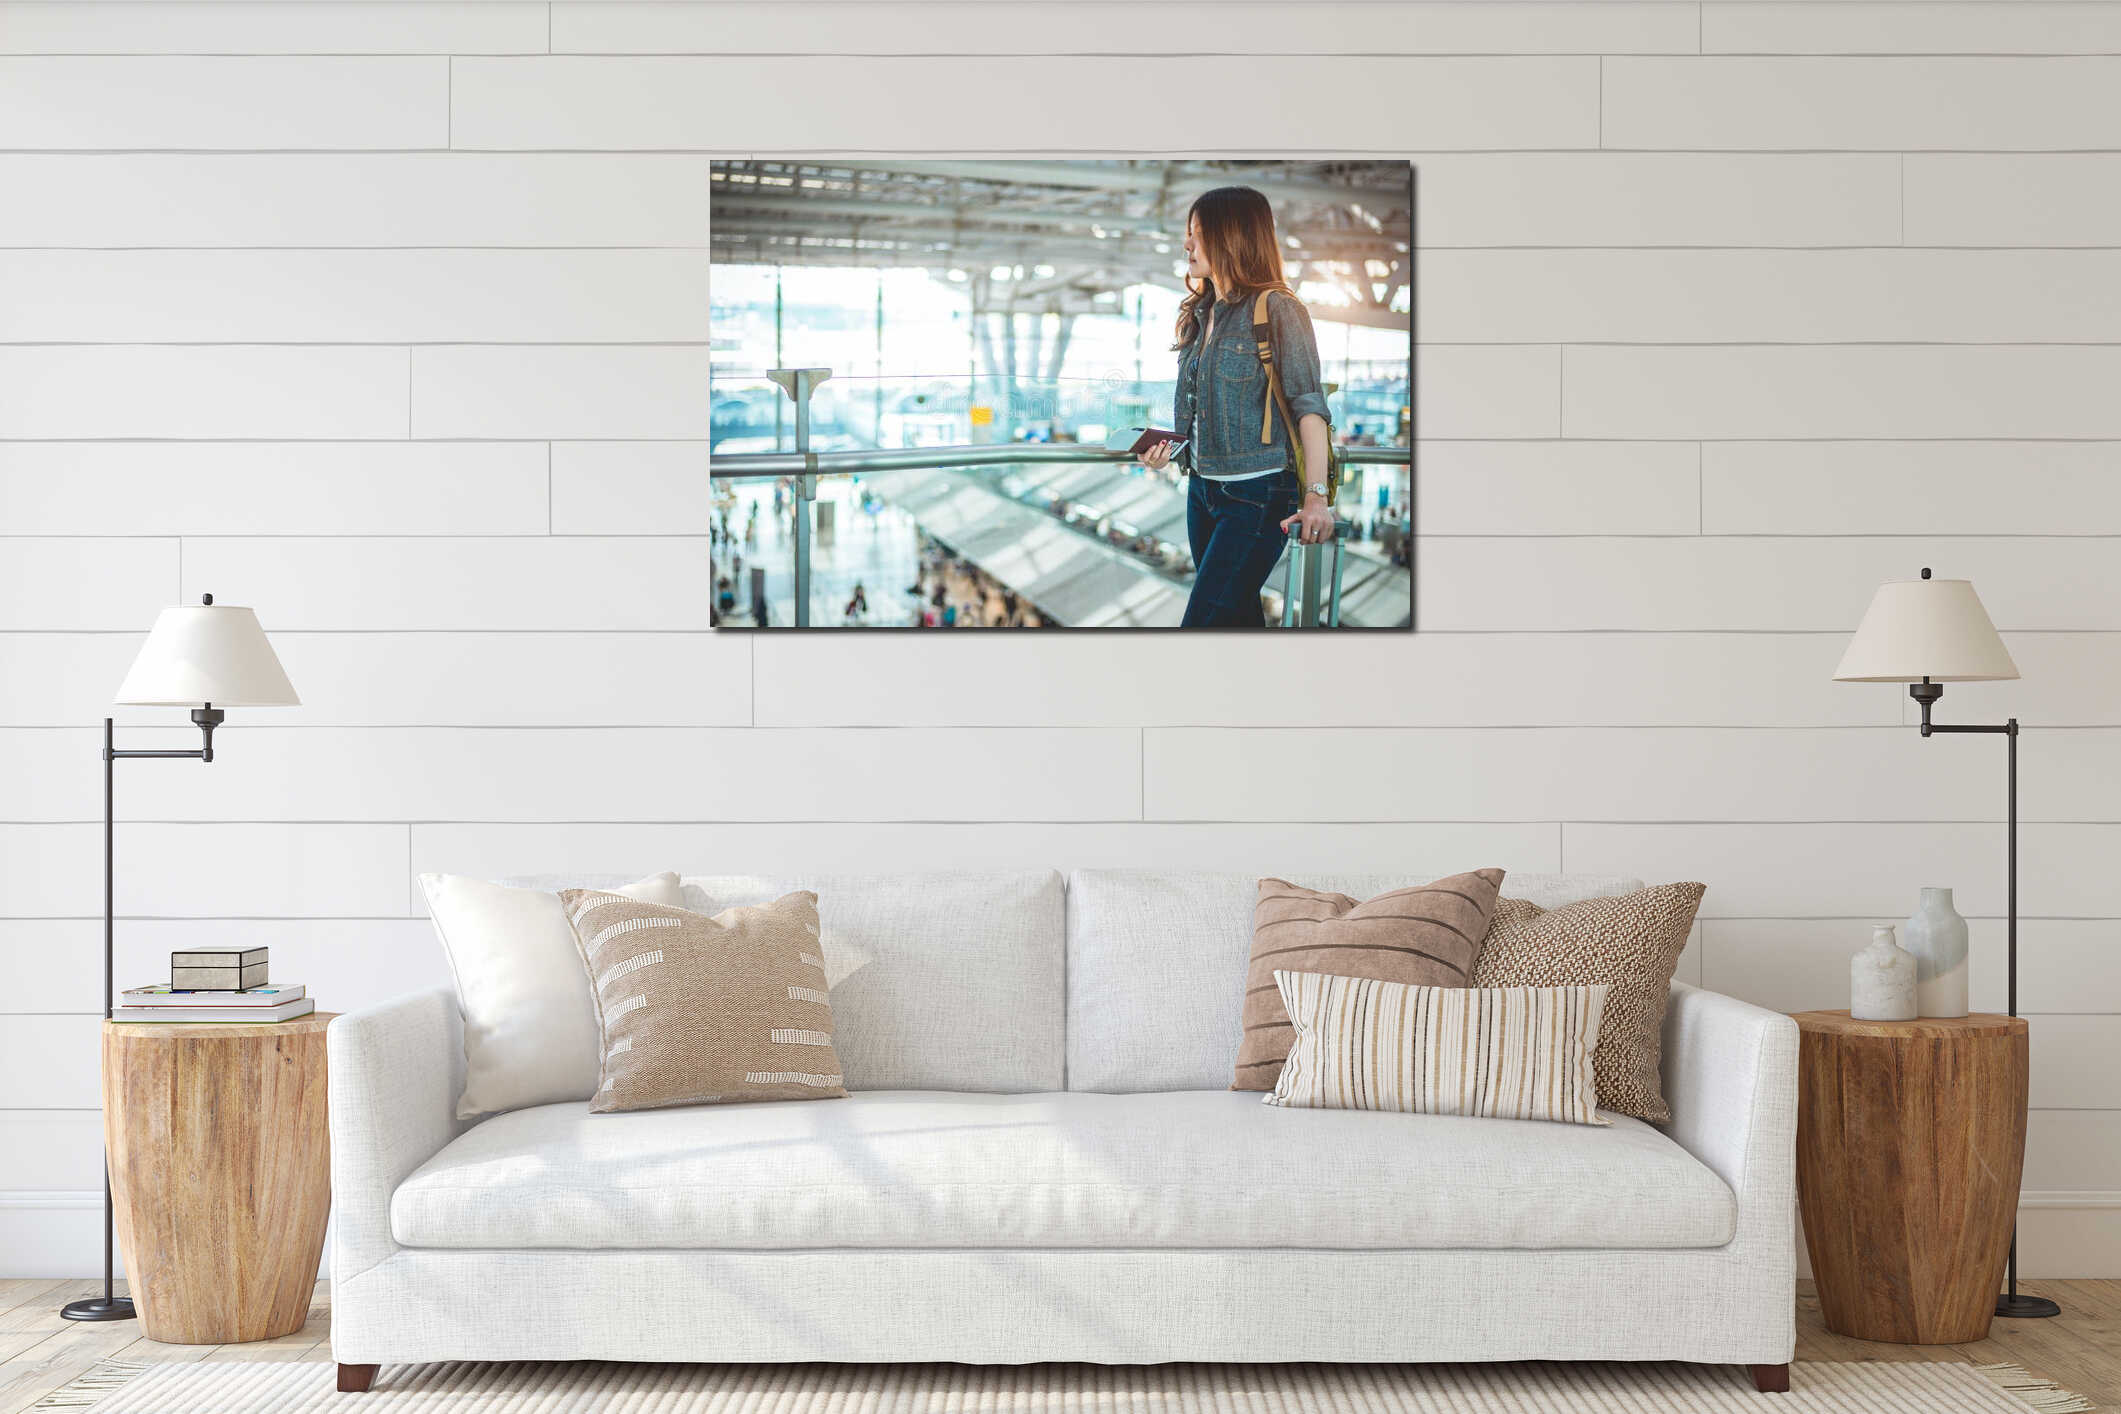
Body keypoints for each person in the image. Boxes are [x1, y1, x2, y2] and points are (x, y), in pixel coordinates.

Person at [1139, 186, 1334, 628]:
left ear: (1233, 237)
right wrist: (1167, 451)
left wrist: (1315, 497)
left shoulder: (1279, 309)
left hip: (1258, 496)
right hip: (1202, 492)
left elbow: (1309, 407)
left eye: (1199, 234)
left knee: (1203, 623)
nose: (1187, 244)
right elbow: (1207, 408)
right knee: (1236, 618)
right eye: (1188, 233)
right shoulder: (1202, 312)